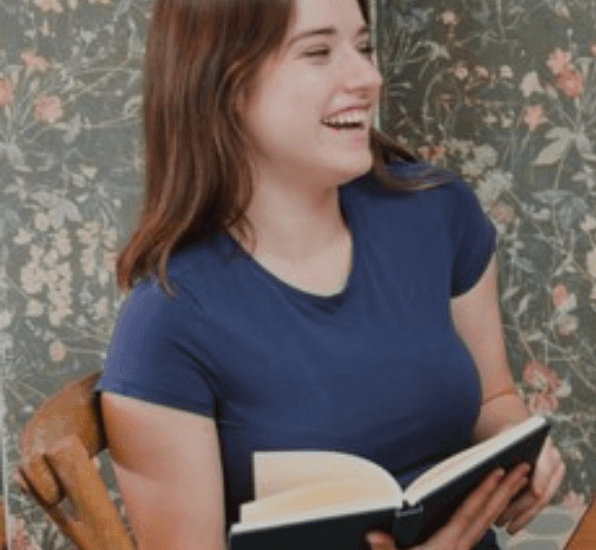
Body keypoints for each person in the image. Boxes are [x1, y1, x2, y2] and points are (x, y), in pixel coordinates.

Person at [98, 0, 564, 548]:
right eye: (318, 52)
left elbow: (491, 398)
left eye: (363, 47)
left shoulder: (437, 212)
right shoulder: (166, 323)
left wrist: (521, 445)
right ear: (224, 83)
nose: (369, 77)